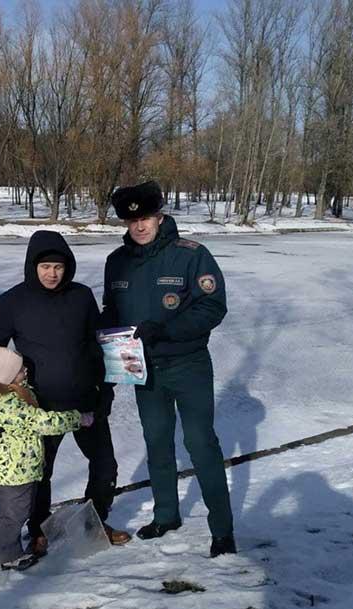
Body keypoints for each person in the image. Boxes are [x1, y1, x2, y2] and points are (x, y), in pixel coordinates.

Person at [0, 230, 132, 554]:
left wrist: (106, 389)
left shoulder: (81, 296)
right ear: (33, 266)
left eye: (58, 266)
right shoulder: (11, 303)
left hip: (86, 400)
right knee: (41, 473)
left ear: (67, 266)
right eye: (45, 267)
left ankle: (96, 522)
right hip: (40, 406)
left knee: (105, 466)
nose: (52, 273)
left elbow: (98, 344)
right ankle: (39, 529)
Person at [101, 180, 236, 557]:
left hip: (187, 364)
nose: (139, 226)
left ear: (159, 217)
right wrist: (103, 332)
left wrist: (167, 330)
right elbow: (112, 309)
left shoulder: (191, 255)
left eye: (145, 218)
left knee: (200, 444)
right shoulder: (117, 262)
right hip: (141, 368)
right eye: (132, 221)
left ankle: (222, 530)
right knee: (157, 442)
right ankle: (166, 515)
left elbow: (213, 306)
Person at [0, 343, 87, 570]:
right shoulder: (9, 404)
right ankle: (0, 549)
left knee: (13, 511)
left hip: (15, 466)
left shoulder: (9, 391)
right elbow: (41, 421)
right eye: (20, 370)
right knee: (15, 514)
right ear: (7, 377)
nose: (26, 370)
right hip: (14, 469)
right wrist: (77, 418)